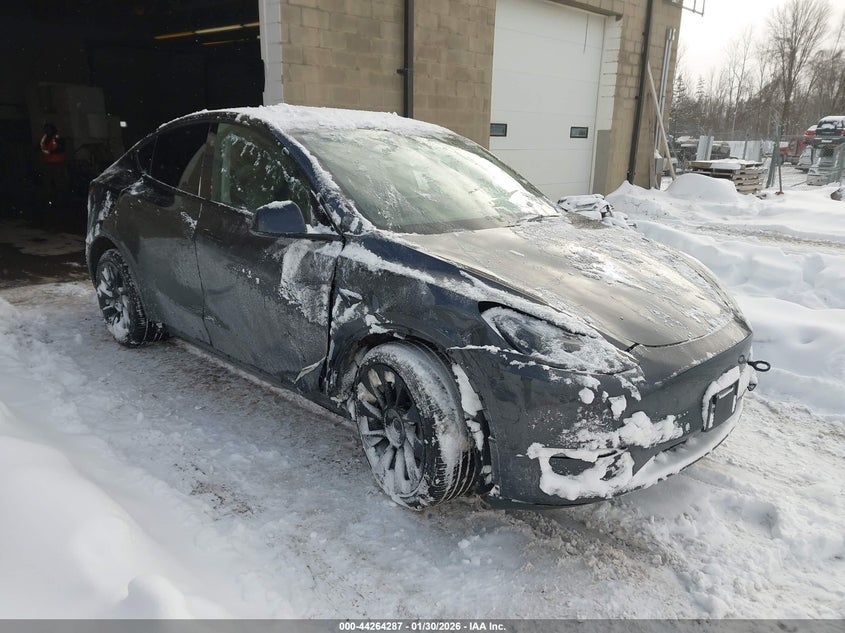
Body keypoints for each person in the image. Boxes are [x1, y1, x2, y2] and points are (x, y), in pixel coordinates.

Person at [35, 123, 69, 227]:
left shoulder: (57, 138)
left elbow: (61, 148)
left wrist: (50, 152)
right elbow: (38, 147)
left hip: (58, 163)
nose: (47, 131)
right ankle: (49, 197)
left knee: (59, 181)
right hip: (47, 163)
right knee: (47, 181)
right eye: (46, 129)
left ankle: (62, 198)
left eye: (49, 129)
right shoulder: (44, 138)